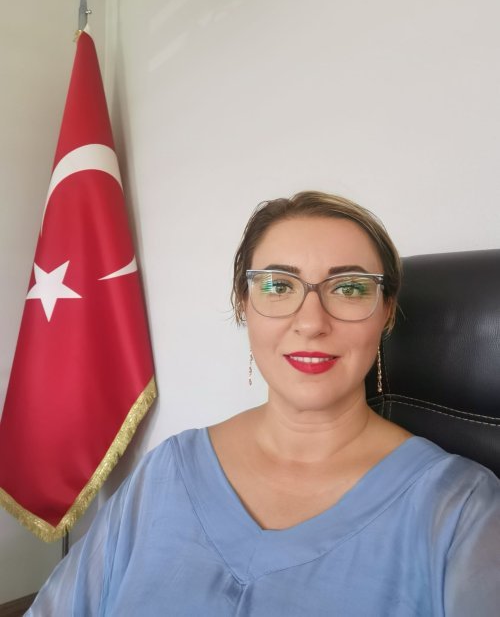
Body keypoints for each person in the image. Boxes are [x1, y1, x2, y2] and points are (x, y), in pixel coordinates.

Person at [28, 191, 500, 616]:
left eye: (349, 288)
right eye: (278, 285)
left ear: (387, 311)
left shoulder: (460, 510)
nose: (311, 322)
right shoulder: (163, 473)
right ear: (243, 305)